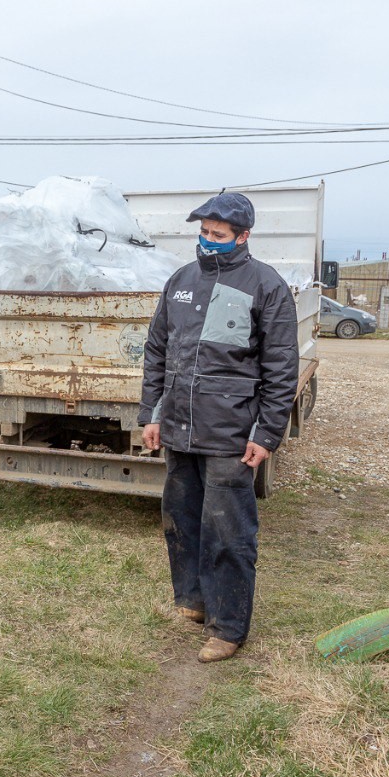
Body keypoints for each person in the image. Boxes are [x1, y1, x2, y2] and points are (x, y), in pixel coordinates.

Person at [138, 192, 299, 664]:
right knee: (182, 519)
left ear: (243, 237)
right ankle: (192, 599)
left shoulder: (266, 285)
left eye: (219, 235)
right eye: (204, 232)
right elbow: (157, 351)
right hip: (179, 428)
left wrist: (266, 433)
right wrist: (151, 414)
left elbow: (281, 367)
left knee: (228, 533)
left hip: (231, 434)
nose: (208, 241)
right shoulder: (180, 282)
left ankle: (228, 628)